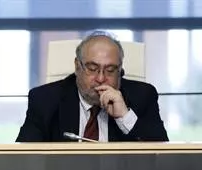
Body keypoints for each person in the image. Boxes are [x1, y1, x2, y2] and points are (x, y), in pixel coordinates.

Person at [16, 31, 168, 143]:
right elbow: (24, 158)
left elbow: (161, 155)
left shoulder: (143, 96)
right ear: (77, 66)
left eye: (110, 70)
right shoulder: (45, 100)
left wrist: (125, 117)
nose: (101, 78)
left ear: (120, 70)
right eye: (92, 68)